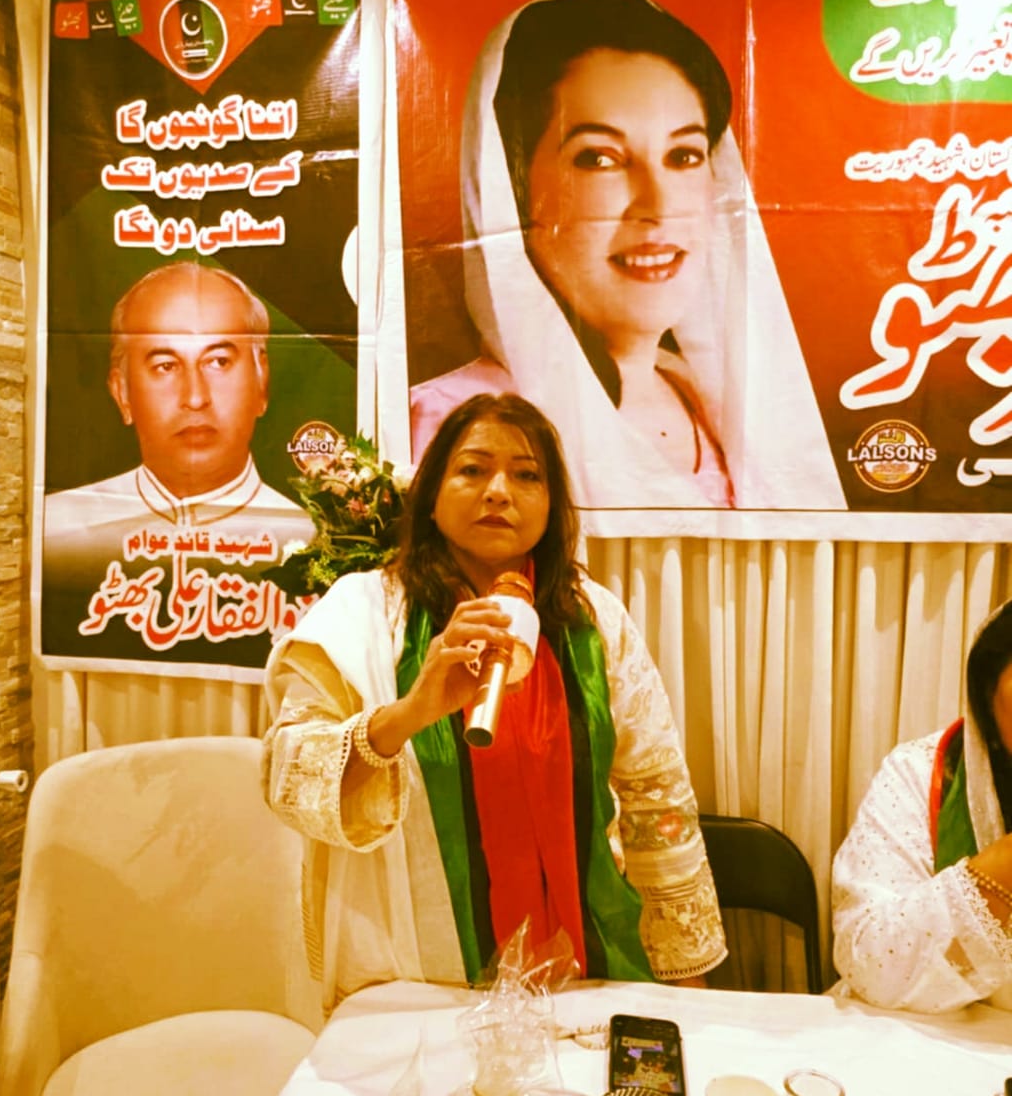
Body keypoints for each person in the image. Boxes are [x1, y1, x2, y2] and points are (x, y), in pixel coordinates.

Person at [263, 392, 726, 1012]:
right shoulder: (362, 613)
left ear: (552, 506)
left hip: (584, 973)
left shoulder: (593, 619)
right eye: (473, 469)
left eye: (527, 475)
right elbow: (289, 781)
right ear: (431, 494)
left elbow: (656, 797)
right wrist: (412, 712)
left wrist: (684, 975)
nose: (499, 492)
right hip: (416, 980)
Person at [409, 0, 844, 514]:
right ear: (514, 189)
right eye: (599, 159)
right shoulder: (451, 420)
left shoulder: (730, 408)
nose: (657, 206)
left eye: (684, 155)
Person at [43, 261, 311, 571]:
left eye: (219, 362)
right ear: (122, 393)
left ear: (261, 381)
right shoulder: (55, 534)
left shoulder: (310, 541)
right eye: (166, 366)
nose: (195, 398)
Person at [832, 599, 1012, 1014]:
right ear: (988, 701)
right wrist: (1002, 868)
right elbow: (870, 963)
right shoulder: (922, 772)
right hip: (928, 1034)